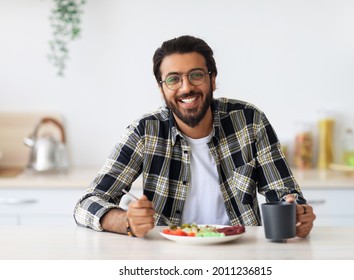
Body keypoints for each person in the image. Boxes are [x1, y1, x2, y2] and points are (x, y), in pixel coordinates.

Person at [74, 35, 316, 238]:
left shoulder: (249, 121)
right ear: (161, 89)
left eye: (196, 75)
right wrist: (127, 221)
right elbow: (86, 203)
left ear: (213, 79)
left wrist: (298, 214)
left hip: (240, 254)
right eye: (173, 79)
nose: (186, 87)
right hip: (166, 258)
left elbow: (285, 193)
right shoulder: (144, 131)